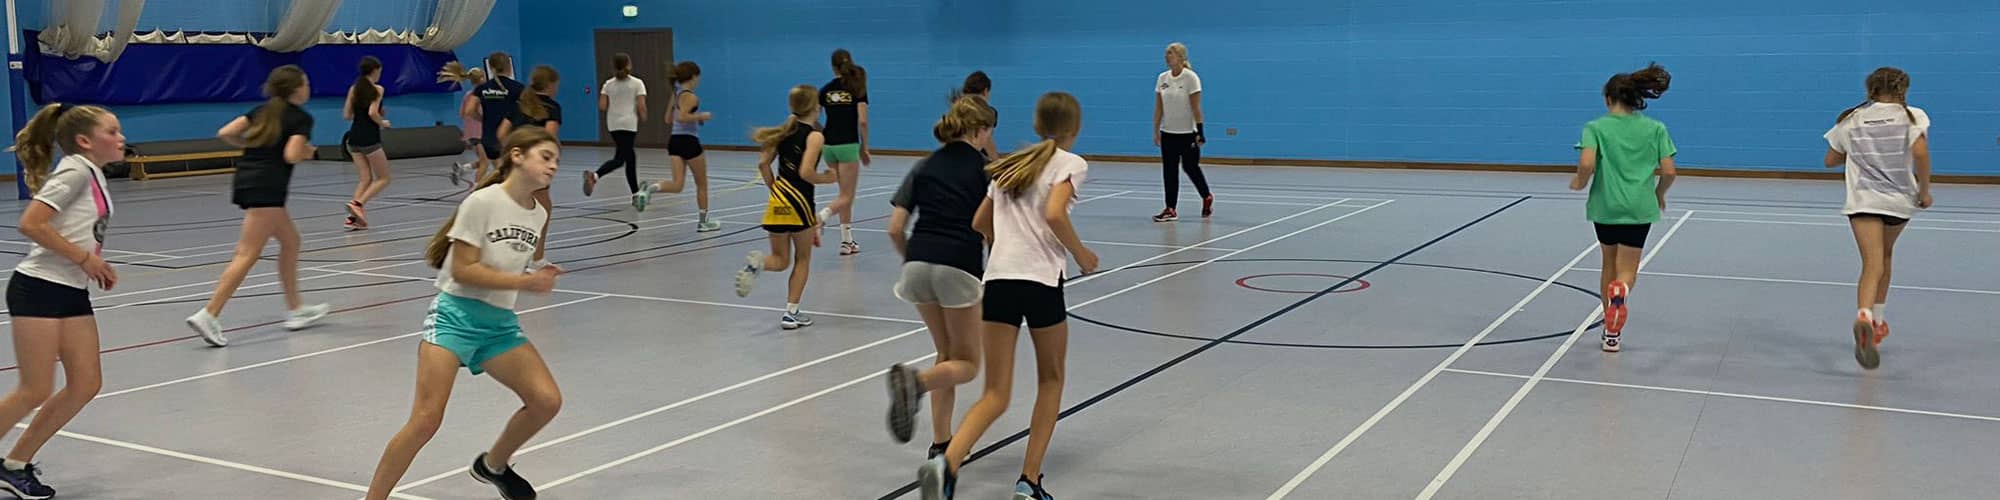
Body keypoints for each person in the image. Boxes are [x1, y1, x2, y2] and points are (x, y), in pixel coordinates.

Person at [363, 127, 564, 500]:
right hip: (454, 318)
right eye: (546, 157)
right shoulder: (482, 202)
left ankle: (492, 466)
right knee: (426, 420)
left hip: (499, 327)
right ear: (517, 155)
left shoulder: (537, 213)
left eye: (556, 160)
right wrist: (525, 283)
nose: (553, 166)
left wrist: (536, 276)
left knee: (546, 401)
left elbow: (503, 267)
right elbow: (463, 270)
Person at [921, 92, 1099, 500]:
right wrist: (1082, 254)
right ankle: (1029, 481)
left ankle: (945, 466)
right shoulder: (1071, 163)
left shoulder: (1008, 166)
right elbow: (1054, 213)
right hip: (1040, 283)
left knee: (995, 393)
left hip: (998, 280)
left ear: (1037, 125)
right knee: (1051, 379)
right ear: (1075, 127)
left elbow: (980, 222)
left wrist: (1008, 245)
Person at [0, 103, 122, 500]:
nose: (120, 138)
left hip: (70, 290)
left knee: (86, 382)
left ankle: (15, 465)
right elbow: (30, 223)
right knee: (34, 389)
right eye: (111, 131)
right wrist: (84, 258)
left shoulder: (93, 173)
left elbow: (79, 229)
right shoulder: (73, 170)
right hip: (38, 288)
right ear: (85, 141)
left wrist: (93, 262)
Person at [185, 65, 331, 347]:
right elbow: (290, 155)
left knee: (291, 242)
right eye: (306, 83)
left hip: (247, 178)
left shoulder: (262, 111)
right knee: (247, 253)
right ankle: (209, 314)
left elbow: (226, 132)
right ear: (296, 89)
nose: (308, 88)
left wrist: (255, 146)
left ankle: (295, 309)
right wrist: (307, 151)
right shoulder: (300, 118)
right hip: (269, 186)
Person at [884, 96, 998, 454]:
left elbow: (894, 228)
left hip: (916, 264)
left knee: (945, 353)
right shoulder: (985, 171)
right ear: (980, 131)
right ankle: (916, 381)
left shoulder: (924, 165)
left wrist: (913, 259)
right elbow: (991, 229)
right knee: (967, 364)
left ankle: (940, 442)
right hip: (957, 264)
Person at [1823, 67, 1932, 370]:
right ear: (1903, 89)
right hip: (1898, 201)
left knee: (1872, 263)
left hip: (1862, 201)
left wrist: (1859, 150)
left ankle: (1864, 315)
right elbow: (1920, 152)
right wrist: (1924, 190)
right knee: (1885, 256)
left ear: (1870, 89)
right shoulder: (1914, 115)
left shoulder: (1851, 118)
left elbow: (1830, 160)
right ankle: (1878, 322)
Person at [1568, 63, 1676, 354]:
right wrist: (1659, 194)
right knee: (1626, 270)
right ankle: (1622, 294)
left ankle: (1610, 333)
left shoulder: (1595, 128)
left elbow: (1588, 163)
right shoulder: (1655, 129)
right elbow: (1669, 171)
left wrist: (1579, 181)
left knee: (1608, 263)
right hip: (1639, 207)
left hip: (1605, 205)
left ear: (1608, 99)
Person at [733, 85, 841, 330]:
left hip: (778, 200)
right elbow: (806, 172)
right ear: (816, 107)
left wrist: (775, 190)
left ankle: (759, 263)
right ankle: (791, 313)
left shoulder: (783, 131)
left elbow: (763, 164)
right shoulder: (815, 136)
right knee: (802, 259)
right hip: (801, 201)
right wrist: (827, 178)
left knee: (780, 260)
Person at [631, 61, 723, 232]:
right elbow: (681, 117)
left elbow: (668, 119)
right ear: (693, 77)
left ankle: (648, 190)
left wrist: (692, 117)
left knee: (677, 184)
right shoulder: (691, 96)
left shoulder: (675, 93)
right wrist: (701, 116)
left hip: (674, 141)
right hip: (689, 142)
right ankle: (704, 222)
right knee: (701, 184)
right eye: (698, 77)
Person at [1151, 42, 1213, 222]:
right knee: (1169, 170)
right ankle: (1170, 208)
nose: (1167, 56)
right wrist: (1156, 130)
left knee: (1190, 167)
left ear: (1180, 57)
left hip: (1187, 133)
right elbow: (1158, 108)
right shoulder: (1162, 78)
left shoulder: (1191, 78)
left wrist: (1200, 131)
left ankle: (1206, 196)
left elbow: (1196, 108)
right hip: (1168, 132)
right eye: (1166, 53)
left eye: (1170, 53)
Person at [817, 49, 870, 256]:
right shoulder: (857, 87)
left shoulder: (825, 90)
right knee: (847, 196)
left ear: (832, 67)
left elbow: (813, 117)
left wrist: (824, 132)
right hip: (848, 146)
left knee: (843, 195)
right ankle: (821, 217)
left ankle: (847, 241)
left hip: (829, 147)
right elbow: (863, 121)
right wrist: (864, 147)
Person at [586, 53, 646, 200]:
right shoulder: (637, 83)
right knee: (620, 159)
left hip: (613, 124)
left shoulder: (608, 84)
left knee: (630, 157)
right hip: (629, 124)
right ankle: (595, 175)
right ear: (629, 65)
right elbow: (641, 105)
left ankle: (636, 193)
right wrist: (643, 116)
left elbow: (602, 106)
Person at [344, 56, 392, 230]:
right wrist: (383, 122)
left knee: (365, 179)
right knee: (384, 178)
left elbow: (347, 115)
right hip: (369, 138)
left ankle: (353, 218)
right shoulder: (377, 89)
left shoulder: (353, 89)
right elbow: (372, 112)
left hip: (353, 138)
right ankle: (358, 204)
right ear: (375, 70)